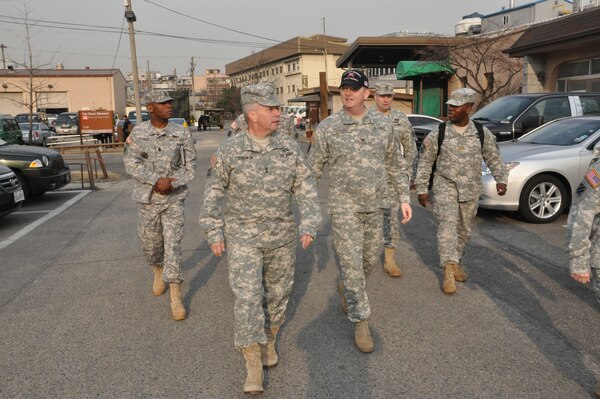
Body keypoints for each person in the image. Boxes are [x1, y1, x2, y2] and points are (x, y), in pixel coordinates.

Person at [199, 83, 321, 394]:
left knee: (279, 295)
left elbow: (305, 188)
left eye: (277, 108)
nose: (278, 113)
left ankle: (270, 334)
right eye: (271, 109)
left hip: (281, 236)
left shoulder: (289, 148)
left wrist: (309, 223)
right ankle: (252, 359)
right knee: (248, 298)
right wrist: (214, 230)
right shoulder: (230, 151)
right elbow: (213, 193)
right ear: (253, 115)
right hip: (243, 237)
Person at [307, 70, 412, 353]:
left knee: (367, 260)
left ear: (367, 92)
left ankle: (349, 288)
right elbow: (311, 170)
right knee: (352, 267)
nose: (347, 93)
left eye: (353, 88)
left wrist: (404, 197)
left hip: (376, 206)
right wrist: (306, 207)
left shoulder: (383, 124)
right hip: (344, 210)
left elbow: (395, 164)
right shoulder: (328, 128)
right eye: (343, 88)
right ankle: (361, 321)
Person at [415, 88, 508, 295]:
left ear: (468, 108)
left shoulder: (482, 133)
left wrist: (501, 179)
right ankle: (448, 269)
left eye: (457, 106)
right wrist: (422, 188)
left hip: (470, 189)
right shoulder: (438, 133)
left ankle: (456, 261)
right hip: (444, 186)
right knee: (447, 227)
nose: (451, 110)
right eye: (450, 106)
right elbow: (425, 162)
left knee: (464, 229)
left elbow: (493, 157)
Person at [123, 90, 197, 320]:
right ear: (150, 108)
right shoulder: (139, 133)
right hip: (148, 200)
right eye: (163, 103)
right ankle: (157, 269)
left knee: (173, 245)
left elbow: (190, 165)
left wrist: (173, 183)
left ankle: (175, 295)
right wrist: (155, 181)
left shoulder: (181, 133)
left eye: (170, 103)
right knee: (151, 246)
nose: (169, 106)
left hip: (174, 199)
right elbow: (130, 163)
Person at [369, 82, 417, 278]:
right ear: (375, 97)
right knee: (369, 218)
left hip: (393, 179)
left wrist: (408, 173)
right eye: (382, 95)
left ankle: (389, 258)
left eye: (389, 95)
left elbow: (410, 148)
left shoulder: (400, 119)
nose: (386, 99)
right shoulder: (366, 118)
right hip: (370, 179)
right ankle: (365, 256)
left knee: (391, 219)